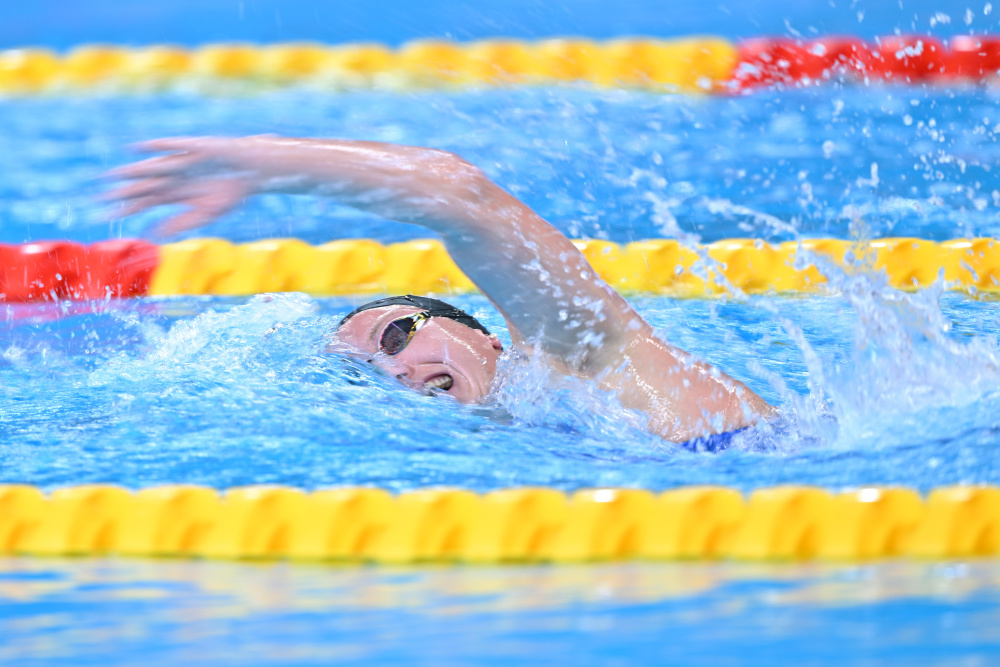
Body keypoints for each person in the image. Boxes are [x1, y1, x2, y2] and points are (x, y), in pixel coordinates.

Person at [104, 135, 776, 444]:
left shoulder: (583, 354)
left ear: (485, 334)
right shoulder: (528, 440)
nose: (394, 369)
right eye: (367, 376)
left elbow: (456, 190)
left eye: (396, 335)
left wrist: (263, 164)